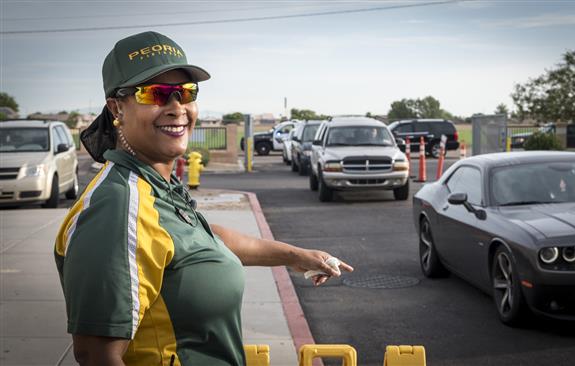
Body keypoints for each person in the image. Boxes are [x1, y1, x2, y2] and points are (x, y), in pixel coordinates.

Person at [54, 31, 353, 366]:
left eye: (185, 93)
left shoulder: (155, 184)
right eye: (156, 94)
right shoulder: (117, 207)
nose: (176, 108)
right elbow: (97, 355)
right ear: (116, 108)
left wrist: (295, 255)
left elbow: (201, 240)